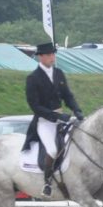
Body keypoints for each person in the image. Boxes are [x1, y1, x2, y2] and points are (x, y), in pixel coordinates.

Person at [22, 42, 84, 198]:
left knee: (78, 143)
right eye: (49, 55)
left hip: (62, 119)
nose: (52, 57)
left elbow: (67, 95)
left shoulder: (59, 73)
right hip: (44, 121)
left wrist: (77, 109)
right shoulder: (33, 78)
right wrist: (56, 116)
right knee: (52, 150)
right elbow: (35, 106)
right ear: (41, 57)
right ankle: (47, 182)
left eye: (53, 54)